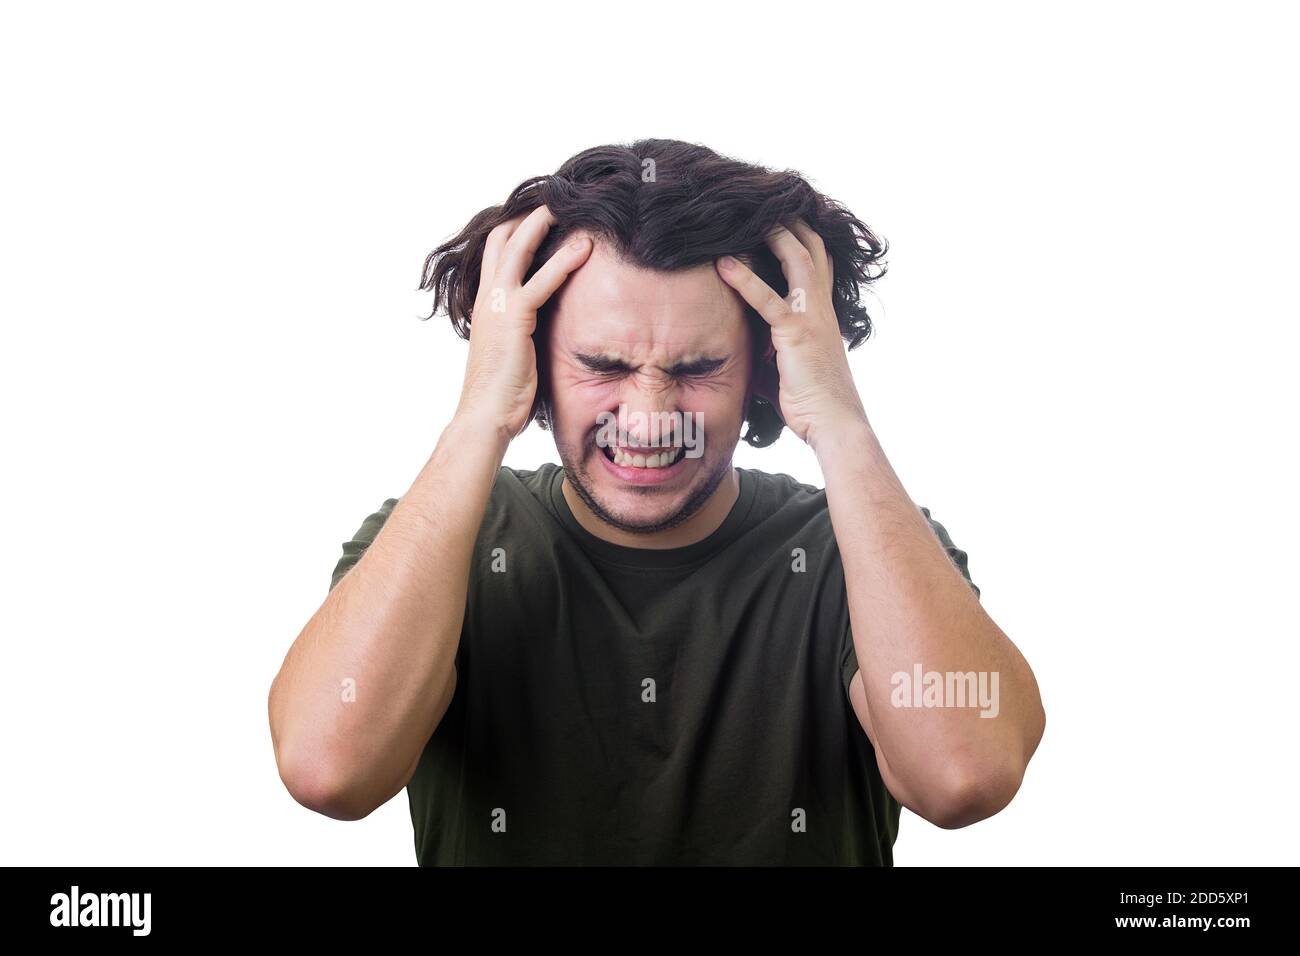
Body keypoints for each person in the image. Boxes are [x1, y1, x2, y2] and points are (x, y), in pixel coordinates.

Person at [267, 139, 1045, 865]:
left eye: (699, 367)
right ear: (533, 358)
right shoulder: (447, 539)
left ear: (766, 373)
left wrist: (840, 425)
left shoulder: (857, 549)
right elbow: (329, 769)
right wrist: (477, 420)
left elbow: (963, 777)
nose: (647, 417)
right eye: (602, 365)